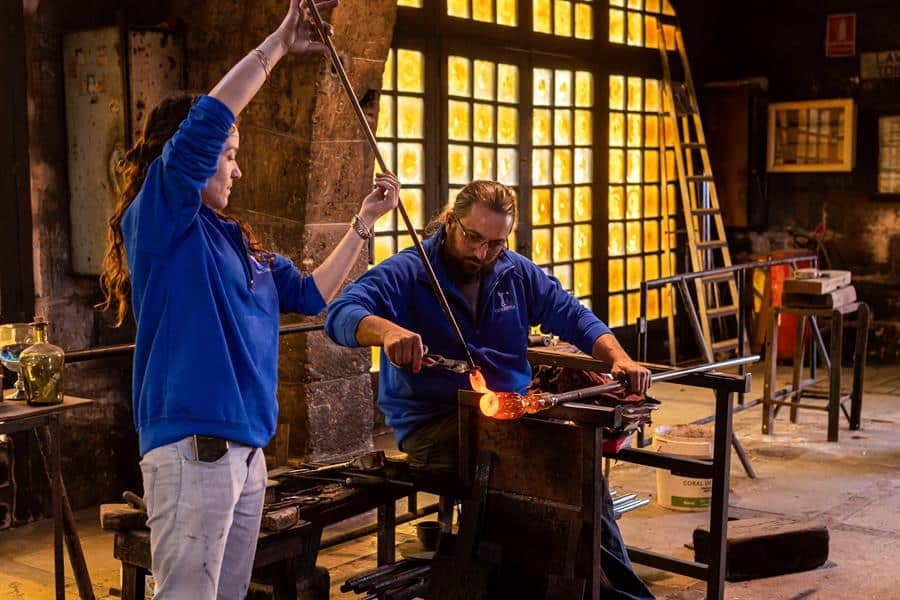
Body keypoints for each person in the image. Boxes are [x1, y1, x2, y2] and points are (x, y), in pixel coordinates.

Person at [97, 1, 399, 597]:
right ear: (190, 157)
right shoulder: (160, 222)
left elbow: (311, 295)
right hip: (191, 453)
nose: (237, 171)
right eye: (229, 156)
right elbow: (210, 117)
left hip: (246, 455)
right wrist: (278, 45)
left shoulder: (239, 242)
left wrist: (364, 222)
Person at [325, 179, 654, 599]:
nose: (482, 253)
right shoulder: (410, 270)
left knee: (579, 470)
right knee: (548, 469)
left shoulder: (514, 271)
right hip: (436, 425)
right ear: (449, 222)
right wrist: (388, 333)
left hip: (510, 415)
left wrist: (618, 357)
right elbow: (340, 313)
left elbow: (571, 314)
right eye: (473, 238)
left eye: (495, 243)